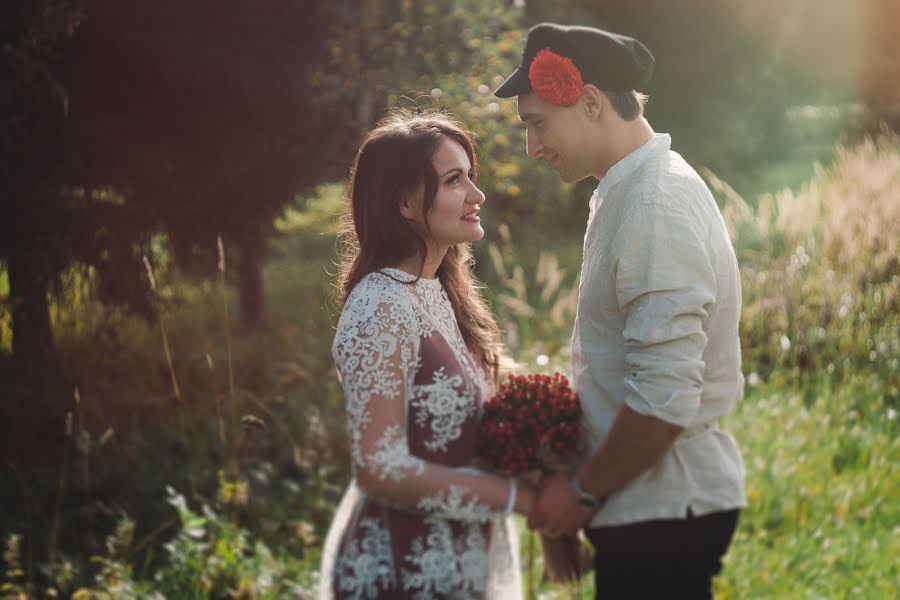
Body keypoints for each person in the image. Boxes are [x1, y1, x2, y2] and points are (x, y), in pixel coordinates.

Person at [494, 23, 746, 599]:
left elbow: (663, 401)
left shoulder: (653, 204)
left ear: (589, 102)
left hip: (660, 514)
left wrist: (580, 490)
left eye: (538, 124)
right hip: (644, 511)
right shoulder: (628, 190)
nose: (532, 147)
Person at [318, 111, 531, 599]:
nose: (476, 195)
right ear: (407, 202)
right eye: (455, 180)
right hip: (401, 568)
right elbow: (378, 467)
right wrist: (517, 498)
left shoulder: (436, 292)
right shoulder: (380, 304)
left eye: (470, 177)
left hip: (460, 563)